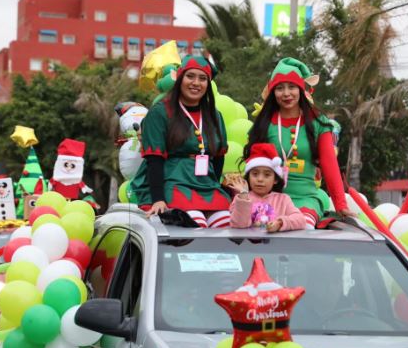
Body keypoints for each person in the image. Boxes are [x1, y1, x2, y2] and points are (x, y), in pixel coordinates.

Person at [246, 57, 353, 229]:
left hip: (306, 199)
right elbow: (251, 163)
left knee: (303, 227)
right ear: (272, 92)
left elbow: (329, 164)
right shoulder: (264, 123)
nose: (286, 93)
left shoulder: (318, 122)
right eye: (280, 88)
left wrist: (341, 205)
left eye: (292, 87)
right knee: (261, 232)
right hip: (270, 199)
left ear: (301, 90)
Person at [130, 54, 231, 228]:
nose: (196, 83)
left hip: (206, 184)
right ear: (180, 79)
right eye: (190, 76)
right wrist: (158, 199)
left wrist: (213, 182)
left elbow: (218, 159)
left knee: (226, 224)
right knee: (195, 225)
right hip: (173, 182)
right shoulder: (160, 112)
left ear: (208, 84)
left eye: (202, 78)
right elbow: (154, 160)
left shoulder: (215, 116)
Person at [228, 143, 306, 232]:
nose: (260, 179)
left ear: (275, 179)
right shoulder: (240, 199)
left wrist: (280, 223)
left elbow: (301, 220)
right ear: (248, 177)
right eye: (255, 174)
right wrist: (244, 197)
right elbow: (239, 225)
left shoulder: (283, 199)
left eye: (267, 175)